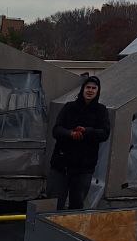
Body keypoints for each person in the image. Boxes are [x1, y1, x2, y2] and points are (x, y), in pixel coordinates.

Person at [48, 76, 111, 210]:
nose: (90, 90)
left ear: (98, 91)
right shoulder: (69, 107)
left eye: (94, 88)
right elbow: (56, 130)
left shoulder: (101, 110)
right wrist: (70, 134)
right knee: (54, 203)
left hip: (84, 167)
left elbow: (104, 133)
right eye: (88, 87)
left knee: (77, 205)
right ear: (83, 89)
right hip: (62, 164)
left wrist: (87, 131)